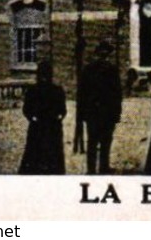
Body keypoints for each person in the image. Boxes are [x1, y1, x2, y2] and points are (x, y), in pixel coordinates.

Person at [77, 41, 123, 174]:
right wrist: (116, 113)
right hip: (105, 113)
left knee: (93, 141)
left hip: (94, 113)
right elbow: (117, 94)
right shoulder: (111, 70)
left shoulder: (88, 70)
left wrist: (81, 114)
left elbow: (81, 94)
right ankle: (103, 167)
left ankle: (93, 169)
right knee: (104, 142)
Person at [18, 60, 67, 174]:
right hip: (38, 127)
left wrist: (59, 117)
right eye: (42, 75)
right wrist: (32, 118)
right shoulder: (33, 91)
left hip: (52, 127)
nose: (44, 78)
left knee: (53, 153)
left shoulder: (57, 91)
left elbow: (63, 109)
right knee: (35, 152)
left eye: (46, 75)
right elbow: (26, 109)